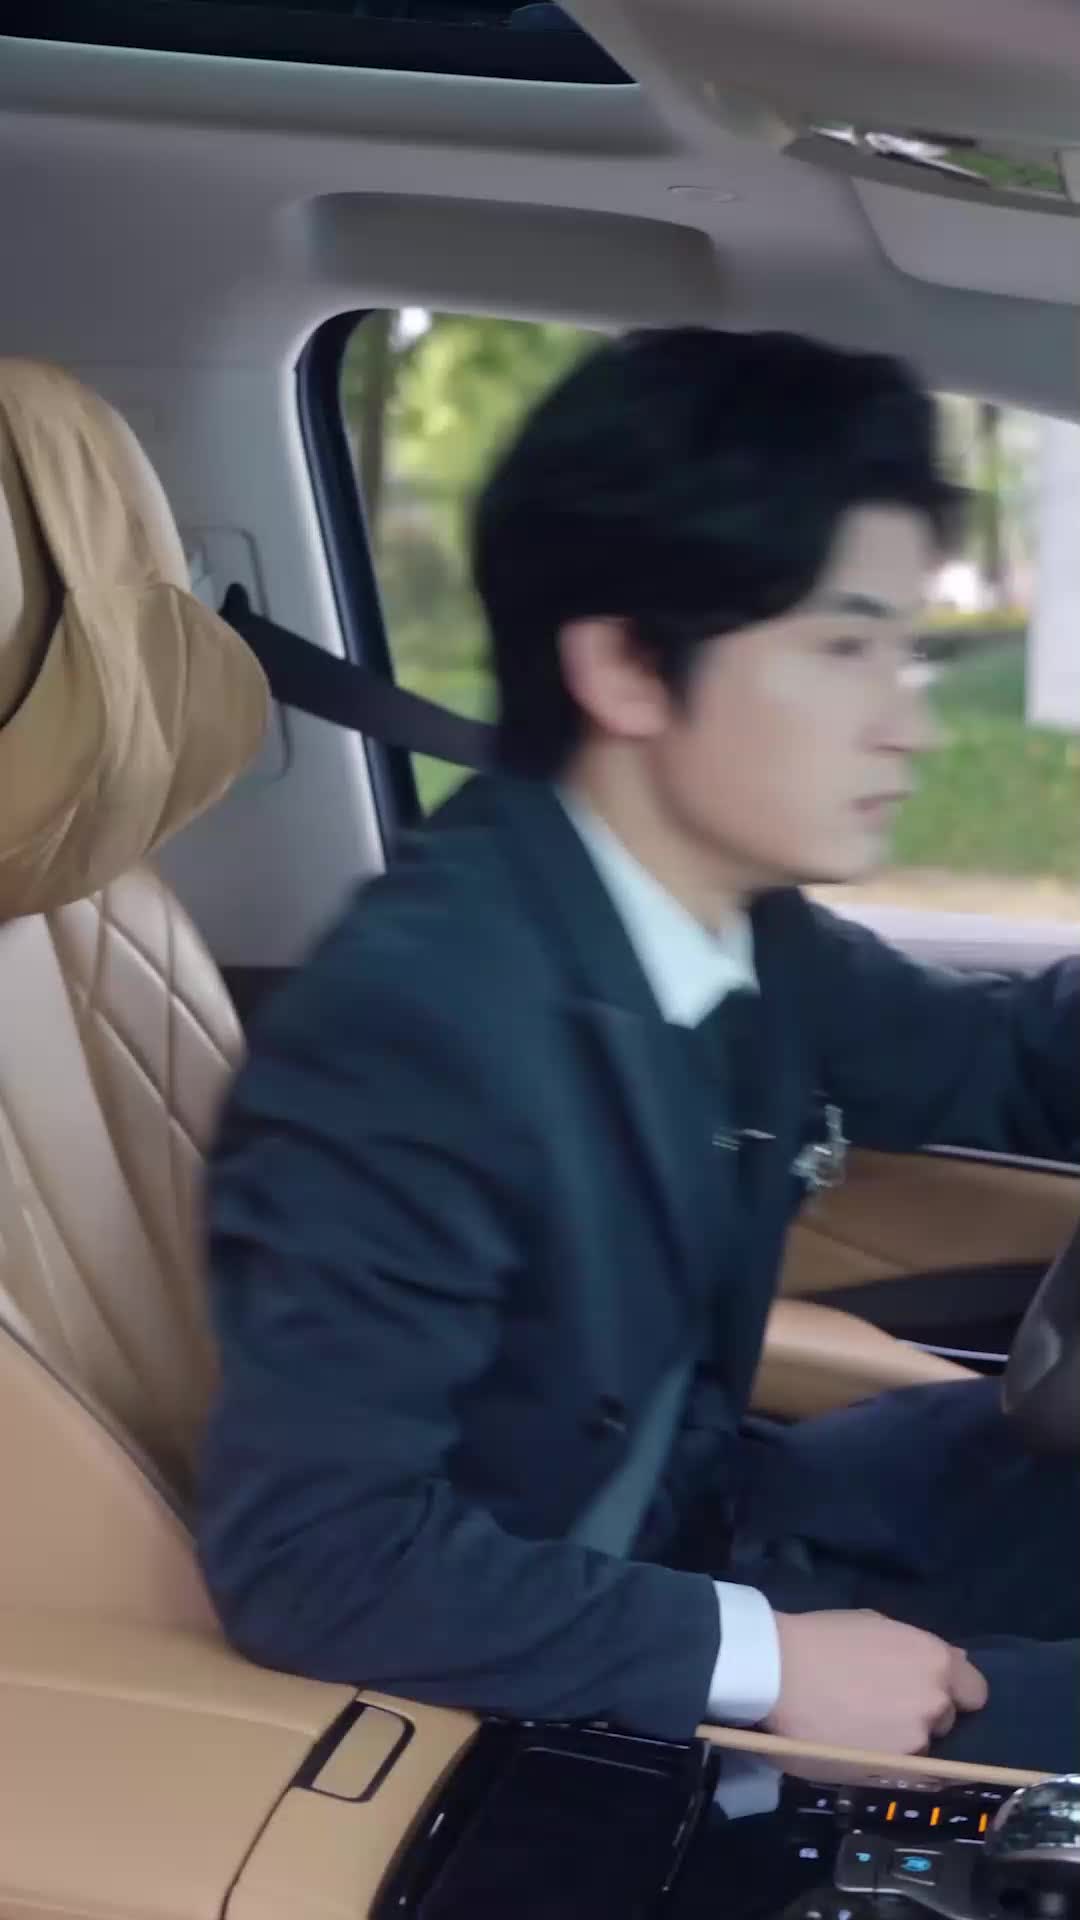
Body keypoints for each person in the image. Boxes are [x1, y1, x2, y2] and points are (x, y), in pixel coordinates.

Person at [199, 329, 1079, 1771]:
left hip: (712, 1503)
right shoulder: (411, 1026)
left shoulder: (731, 921)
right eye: (844, 648)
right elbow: (315, 1558)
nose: (910, 727)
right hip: (567, 1645)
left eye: (906, 652)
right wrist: (765, 1660)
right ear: (623, 666)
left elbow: (1004, 1063)